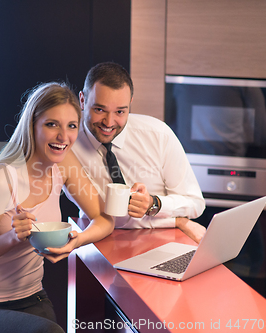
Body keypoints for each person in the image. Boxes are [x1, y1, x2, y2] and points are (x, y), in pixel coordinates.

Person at [0, 82, 114, 333]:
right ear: (32, 124)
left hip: (31, 298)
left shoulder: (64, 163)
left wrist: (75, 242)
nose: (63, 136)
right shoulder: (2, 177)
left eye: (71, 126)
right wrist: (13, 237)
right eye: (51, 124)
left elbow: (104, 220)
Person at [63, 62, 206, 243]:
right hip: (95, 242)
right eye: (99, 110)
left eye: (120, 112)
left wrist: (154, 204)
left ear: (130, 104)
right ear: (82, 100)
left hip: (160, 240)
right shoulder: (65, 140)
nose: (109, 122)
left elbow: (195, 203)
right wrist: (179, 221)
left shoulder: (158, 135)